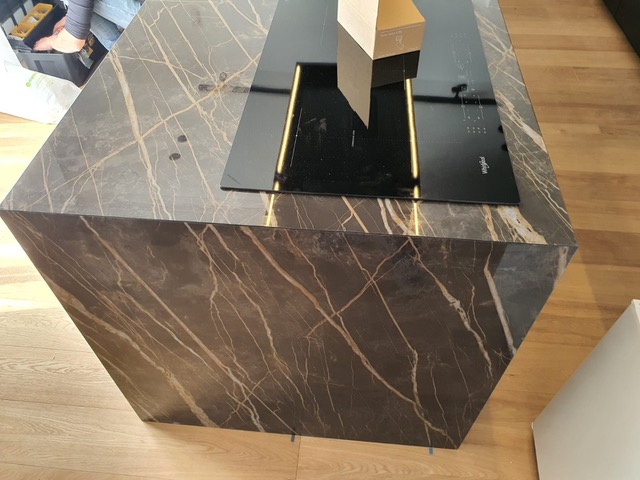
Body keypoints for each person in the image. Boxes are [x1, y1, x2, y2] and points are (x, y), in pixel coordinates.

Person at [33, 0, 141, 52]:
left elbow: (74, 43)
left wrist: (50, 42)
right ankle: (123, 51)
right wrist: (70, 18)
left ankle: (126, 53)